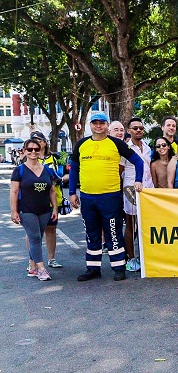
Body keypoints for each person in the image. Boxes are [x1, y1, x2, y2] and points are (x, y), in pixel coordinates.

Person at [69, 112, 144, 282]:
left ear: (107, 125)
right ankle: (93, 268)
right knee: (92, 233)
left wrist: (138, 180)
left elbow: (138, 162)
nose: (98, 126)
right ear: (90, 125)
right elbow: (74, 169)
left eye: (101, 123)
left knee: (113, 232)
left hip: (110, 197)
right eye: (95, 123)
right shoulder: (81, 144)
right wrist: (72, 192)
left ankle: (118, 267)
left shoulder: (116, 143)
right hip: (88, 197)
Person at [10, 139, 59, 281]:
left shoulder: (47, 170)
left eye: (36, 149)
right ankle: (41, 269)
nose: (33, 152)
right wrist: (14, 211)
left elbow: (52, 191)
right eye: (29, 149)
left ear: (40, 151)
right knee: (35, 237)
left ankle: (32, 266)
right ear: (24, 151)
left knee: (37, 237)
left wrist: (55, 208)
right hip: (27, 210)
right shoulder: (19, 170)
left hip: (45, 209)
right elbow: (14, 191)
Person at [121, 117, 154, 272]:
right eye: (135, 128)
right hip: (131, 189)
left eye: (141, 128)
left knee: (145, 224)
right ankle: (131, 257)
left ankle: (144, 257)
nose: (138, 130)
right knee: (131, 223)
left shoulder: (147, 148)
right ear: (129, 131)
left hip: (148, 188)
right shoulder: (125, 148)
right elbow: (119, 171)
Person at [29, 132, 64, 270]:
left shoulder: (55, 158)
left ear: (45, 142)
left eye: (38, 140)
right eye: (33, 140)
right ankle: (32, 262)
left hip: (52, 199)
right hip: (33, 200)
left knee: (51, 229)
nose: (36, 143)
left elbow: (64, 174)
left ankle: (51, 258)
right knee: (32, 232)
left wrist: (59, 178)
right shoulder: (29, 158)